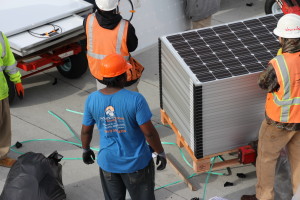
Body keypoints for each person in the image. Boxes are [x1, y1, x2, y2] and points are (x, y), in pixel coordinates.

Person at [81, 53, 167, 200]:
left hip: (108, 163)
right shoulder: (136, 99)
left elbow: (86, 131)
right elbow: (149, 134)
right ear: (123, 76)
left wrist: (86, 149)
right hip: (136, 163)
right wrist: (160, 152)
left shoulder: (92, 99)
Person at [241, 13, 300, 200]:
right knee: (298, 162)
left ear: (282, 38)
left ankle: (264, 197)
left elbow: (264, 84)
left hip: (278, 123)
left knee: (266, 159)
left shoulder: (279, 63)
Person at [83, 0, 142, 92]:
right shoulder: (125, 26)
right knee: (131, 102)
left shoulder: (88, 20)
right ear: (117, 4)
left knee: (108, 102)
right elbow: (132, 47)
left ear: (98, 5)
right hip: (122, 76)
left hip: (100, 73)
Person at [0, 31, 24, 168]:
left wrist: (17, 81)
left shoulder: (0, 36)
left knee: (3, 126)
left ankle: (1, 156)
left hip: (1, 91)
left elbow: (8, 60)